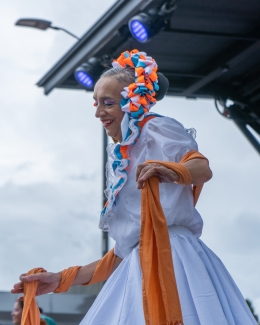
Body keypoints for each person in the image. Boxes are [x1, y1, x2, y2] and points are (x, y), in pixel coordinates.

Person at [11, 50, 257, 325]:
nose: (98, 112)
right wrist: (59, 279)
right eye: (95, 103)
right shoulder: (120, 157)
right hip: (137, 267)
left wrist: (172, 170)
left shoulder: (157, 129)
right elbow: (120, 253)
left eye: (107, 103)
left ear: (132, 102)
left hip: (175, 260)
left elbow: (201, 168)